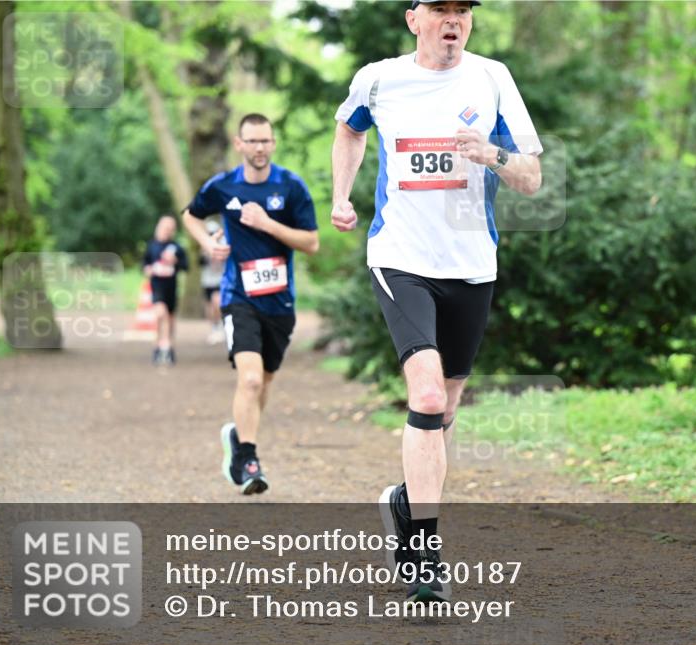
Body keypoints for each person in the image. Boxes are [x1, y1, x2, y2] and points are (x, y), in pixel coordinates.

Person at [331, 0, 542, 603]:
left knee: (445, 410)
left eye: (462, 10)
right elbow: (348, 127)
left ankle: (404, 500)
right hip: (401, 257)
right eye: (440, 9)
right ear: (413, 18)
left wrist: (492, 154)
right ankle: (423, 552)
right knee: (424, 394)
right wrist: (342, 197)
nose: (453, 19)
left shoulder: (492, 78)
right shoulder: (379, 79)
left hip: (472, 267)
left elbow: (532, 177)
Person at [182, 113, 319, 495]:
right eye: (252, 141)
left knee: (266, 382)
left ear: (273, 144)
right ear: (238, 144)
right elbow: (190, 215)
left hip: (280, 302)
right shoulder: (222, 186)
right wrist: (208, 244)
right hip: (237, 298)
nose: (259, 148)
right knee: (251, 378)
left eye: (265, 141)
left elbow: (311, 243)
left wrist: (267, 224)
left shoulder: (291, 187)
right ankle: (248, 458)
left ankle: (239, 441)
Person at [142, 215, 188, 365]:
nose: (167, 230)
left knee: (170, 319)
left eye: (170, 228)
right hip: (157, 287)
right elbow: (144, 263)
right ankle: (161, 346)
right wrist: (147, 269)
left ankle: (168, 348)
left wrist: (175, 262)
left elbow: (185, 266)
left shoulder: (176, 247)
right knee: (162, 315)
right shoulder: (152, 245)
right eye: (164, 227)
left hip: (171, 287)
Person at [200, 219, 225, 345]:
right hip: (207, 281)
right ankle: (215, 328)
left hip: (220, 280)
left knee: (217, 301)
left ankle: (221, 326)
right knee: (209, 308)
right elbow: (200, 263)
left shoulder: (224, 245)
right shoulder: (204, 247)